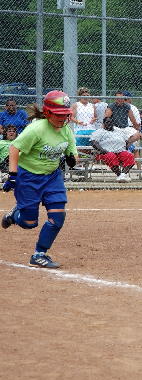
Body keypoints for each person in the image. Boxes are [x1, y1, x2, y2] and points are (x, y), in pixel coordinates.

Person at [1, 90, 79, 269]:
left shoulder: (66, 130)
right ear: (48, 113)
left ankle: (39, 254)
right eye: (58, 114)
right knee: (29, 223)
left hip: (52, 177)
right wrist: (13, 176)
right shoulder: (36, 129)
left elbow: (73, 153)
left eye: (65, 114)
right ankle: (15, 215)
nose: (62, 118)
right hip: (29, 177)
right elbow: (14, 148)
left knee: (58, 217)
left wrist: (72, 159)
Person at [90, 117, 135, 182]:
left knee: (129, 156)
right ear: (103, 124)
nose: (109, 123)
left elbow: (127, 140)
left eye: (111, 122)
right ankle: (119, 175)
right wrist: (102, 150)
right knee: (111, 156)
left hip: (120, 151)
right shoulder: (99, 132)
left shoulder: (119, 130)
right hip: (106, 152)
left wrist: (127, 147)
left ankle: (122, 175)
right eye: (107, 122)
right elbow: (93, 142)